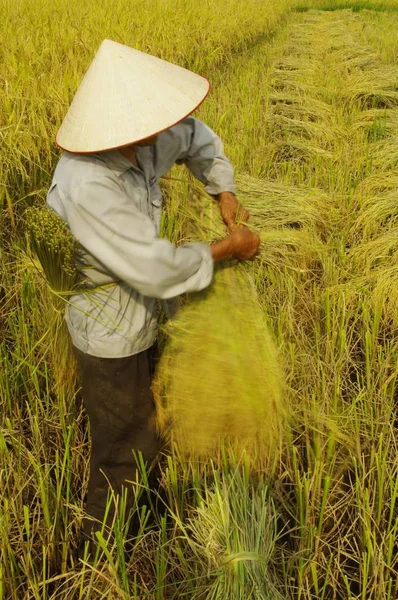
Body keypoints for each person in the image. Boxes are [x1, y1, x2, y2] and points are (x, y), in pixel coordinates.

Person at [47, 39, 260, 556]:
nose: (157, 135)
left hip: (147, 312)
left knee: (153, 415)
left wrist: (222, 189)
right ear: (116, 127)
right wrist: (228, 247)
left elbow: (195, 139)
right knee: (123, 440)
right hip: (110, 324)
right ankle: (97, 551)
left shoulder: (143, 137)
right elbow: (156, 269)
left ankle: (143, 509)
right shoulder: (87, 182)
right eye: (147, 127)